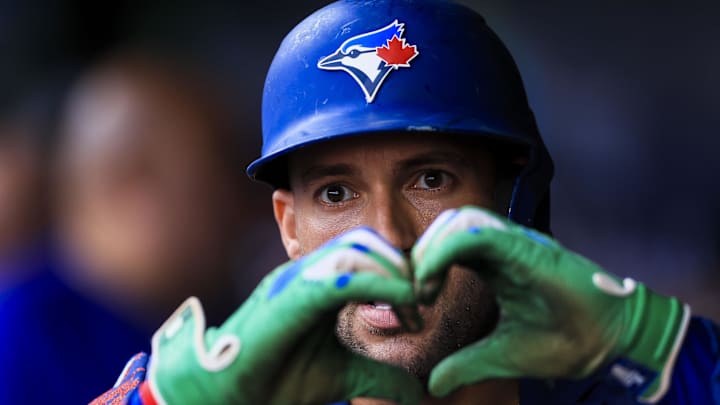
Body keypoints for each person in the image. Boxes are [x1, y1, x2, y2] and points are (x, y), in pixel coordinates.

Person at [91, 1, 720, 404]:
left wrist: (668, 345)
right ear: (289, 226)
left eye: (431, 181)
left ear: (510, 196)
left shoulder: (639, 383)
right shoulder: (206, 391)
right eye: (337, 194)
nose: (386, 237)